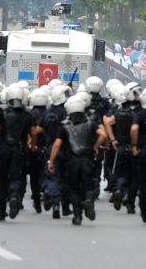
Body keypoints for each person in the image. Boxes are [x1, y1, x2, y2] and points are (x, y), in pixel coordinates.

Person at [48, 96, 106, 225]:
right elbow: (103, 134)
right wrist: (95, 147)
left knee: (74, 188)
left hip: (72, 161)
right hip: (88, 159)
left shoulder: (64, 126)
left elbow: (57, 145)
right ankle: (89, 200)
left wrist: (51, 161)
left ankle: (77, 215)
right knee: (88, 185)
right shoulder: (91, 123)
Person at [0, 85, 35, 221]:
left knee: (2, 179)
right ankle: (13, 195)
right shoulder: (27, 113)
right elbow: (33, 132)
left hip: (3, 149)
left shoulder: (1, 111)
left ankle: (1, 211)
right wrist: (32, 145)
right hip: (19, 148)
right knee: (15, 175)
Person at [35, 84, 71, 218]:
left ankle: (55, 203)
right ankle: (66, 207)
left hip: (50, 148)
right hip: (66, 149)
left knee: (52, 177)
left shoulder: (48, 112)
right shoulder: (67, 112)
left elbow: (38, 129)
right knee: (65, 178)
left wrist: (48, 132)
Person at [104, 86, 138, 214]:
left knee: (121, 174)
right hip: (135, 147)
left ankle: (118, 190)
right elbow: (136, 130)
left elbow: (107, 122)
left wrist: (113, 140)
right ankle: (130, 203)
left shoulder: (118, 112)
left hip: (121, 147)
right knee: (134, 176)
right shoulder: (137, 113)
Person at [130, 87, 146, 223]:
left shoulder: (139, 114)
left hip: (144, 150)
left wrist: (134, 145)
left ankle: (144, 212)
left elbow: (134, 129)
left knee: (143, 183)